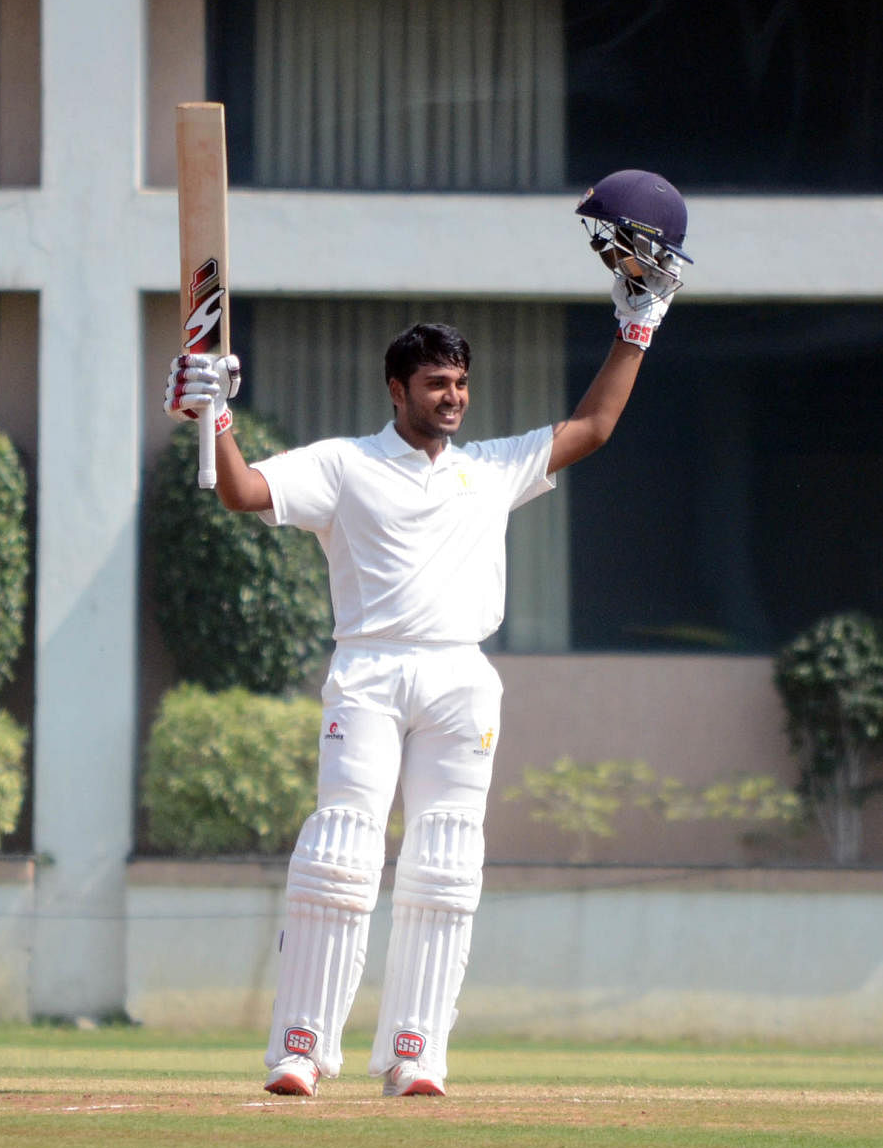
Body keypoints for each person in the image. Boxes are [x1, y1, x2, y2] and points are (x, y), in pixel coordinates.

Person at [164, 170, 691, 1099]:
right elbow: (242, 492)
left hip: (459, 678)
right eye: (436, 384)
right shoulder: (341, 465)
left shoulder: (490, 467)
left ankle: (416, 1053)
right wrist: (212, 416)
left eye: (460, 385)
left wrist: (636, 327)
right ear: (396, 386)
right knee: (342, 848)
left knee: (447, 860)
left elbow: (594, 425)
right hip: (368, 672)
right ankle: (300, 1048)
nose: (452, 399)